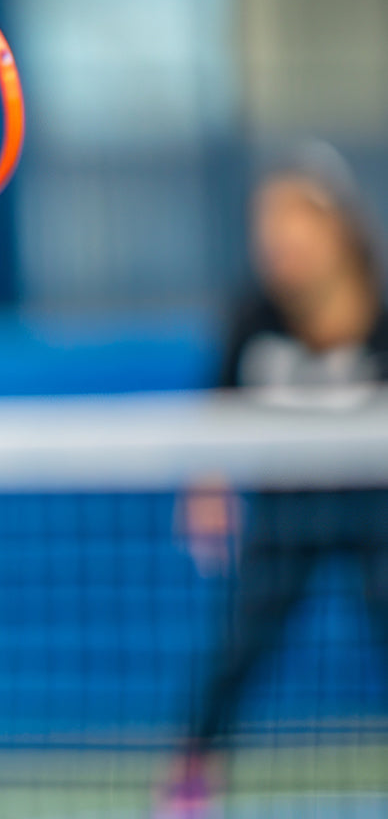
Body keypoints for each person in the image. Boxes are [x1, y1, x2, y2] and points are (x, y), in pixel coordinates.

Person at [157, 143, 388, 818]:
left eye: (295, 222)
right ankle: (189, 782)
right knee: (236, 650)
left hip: (377, 511)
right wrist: (206, 488)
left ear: (337, 228)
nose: (279, 240)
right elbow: (217, 413)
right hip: (288, 512)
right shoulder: (251, 316)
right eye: (268, 226)